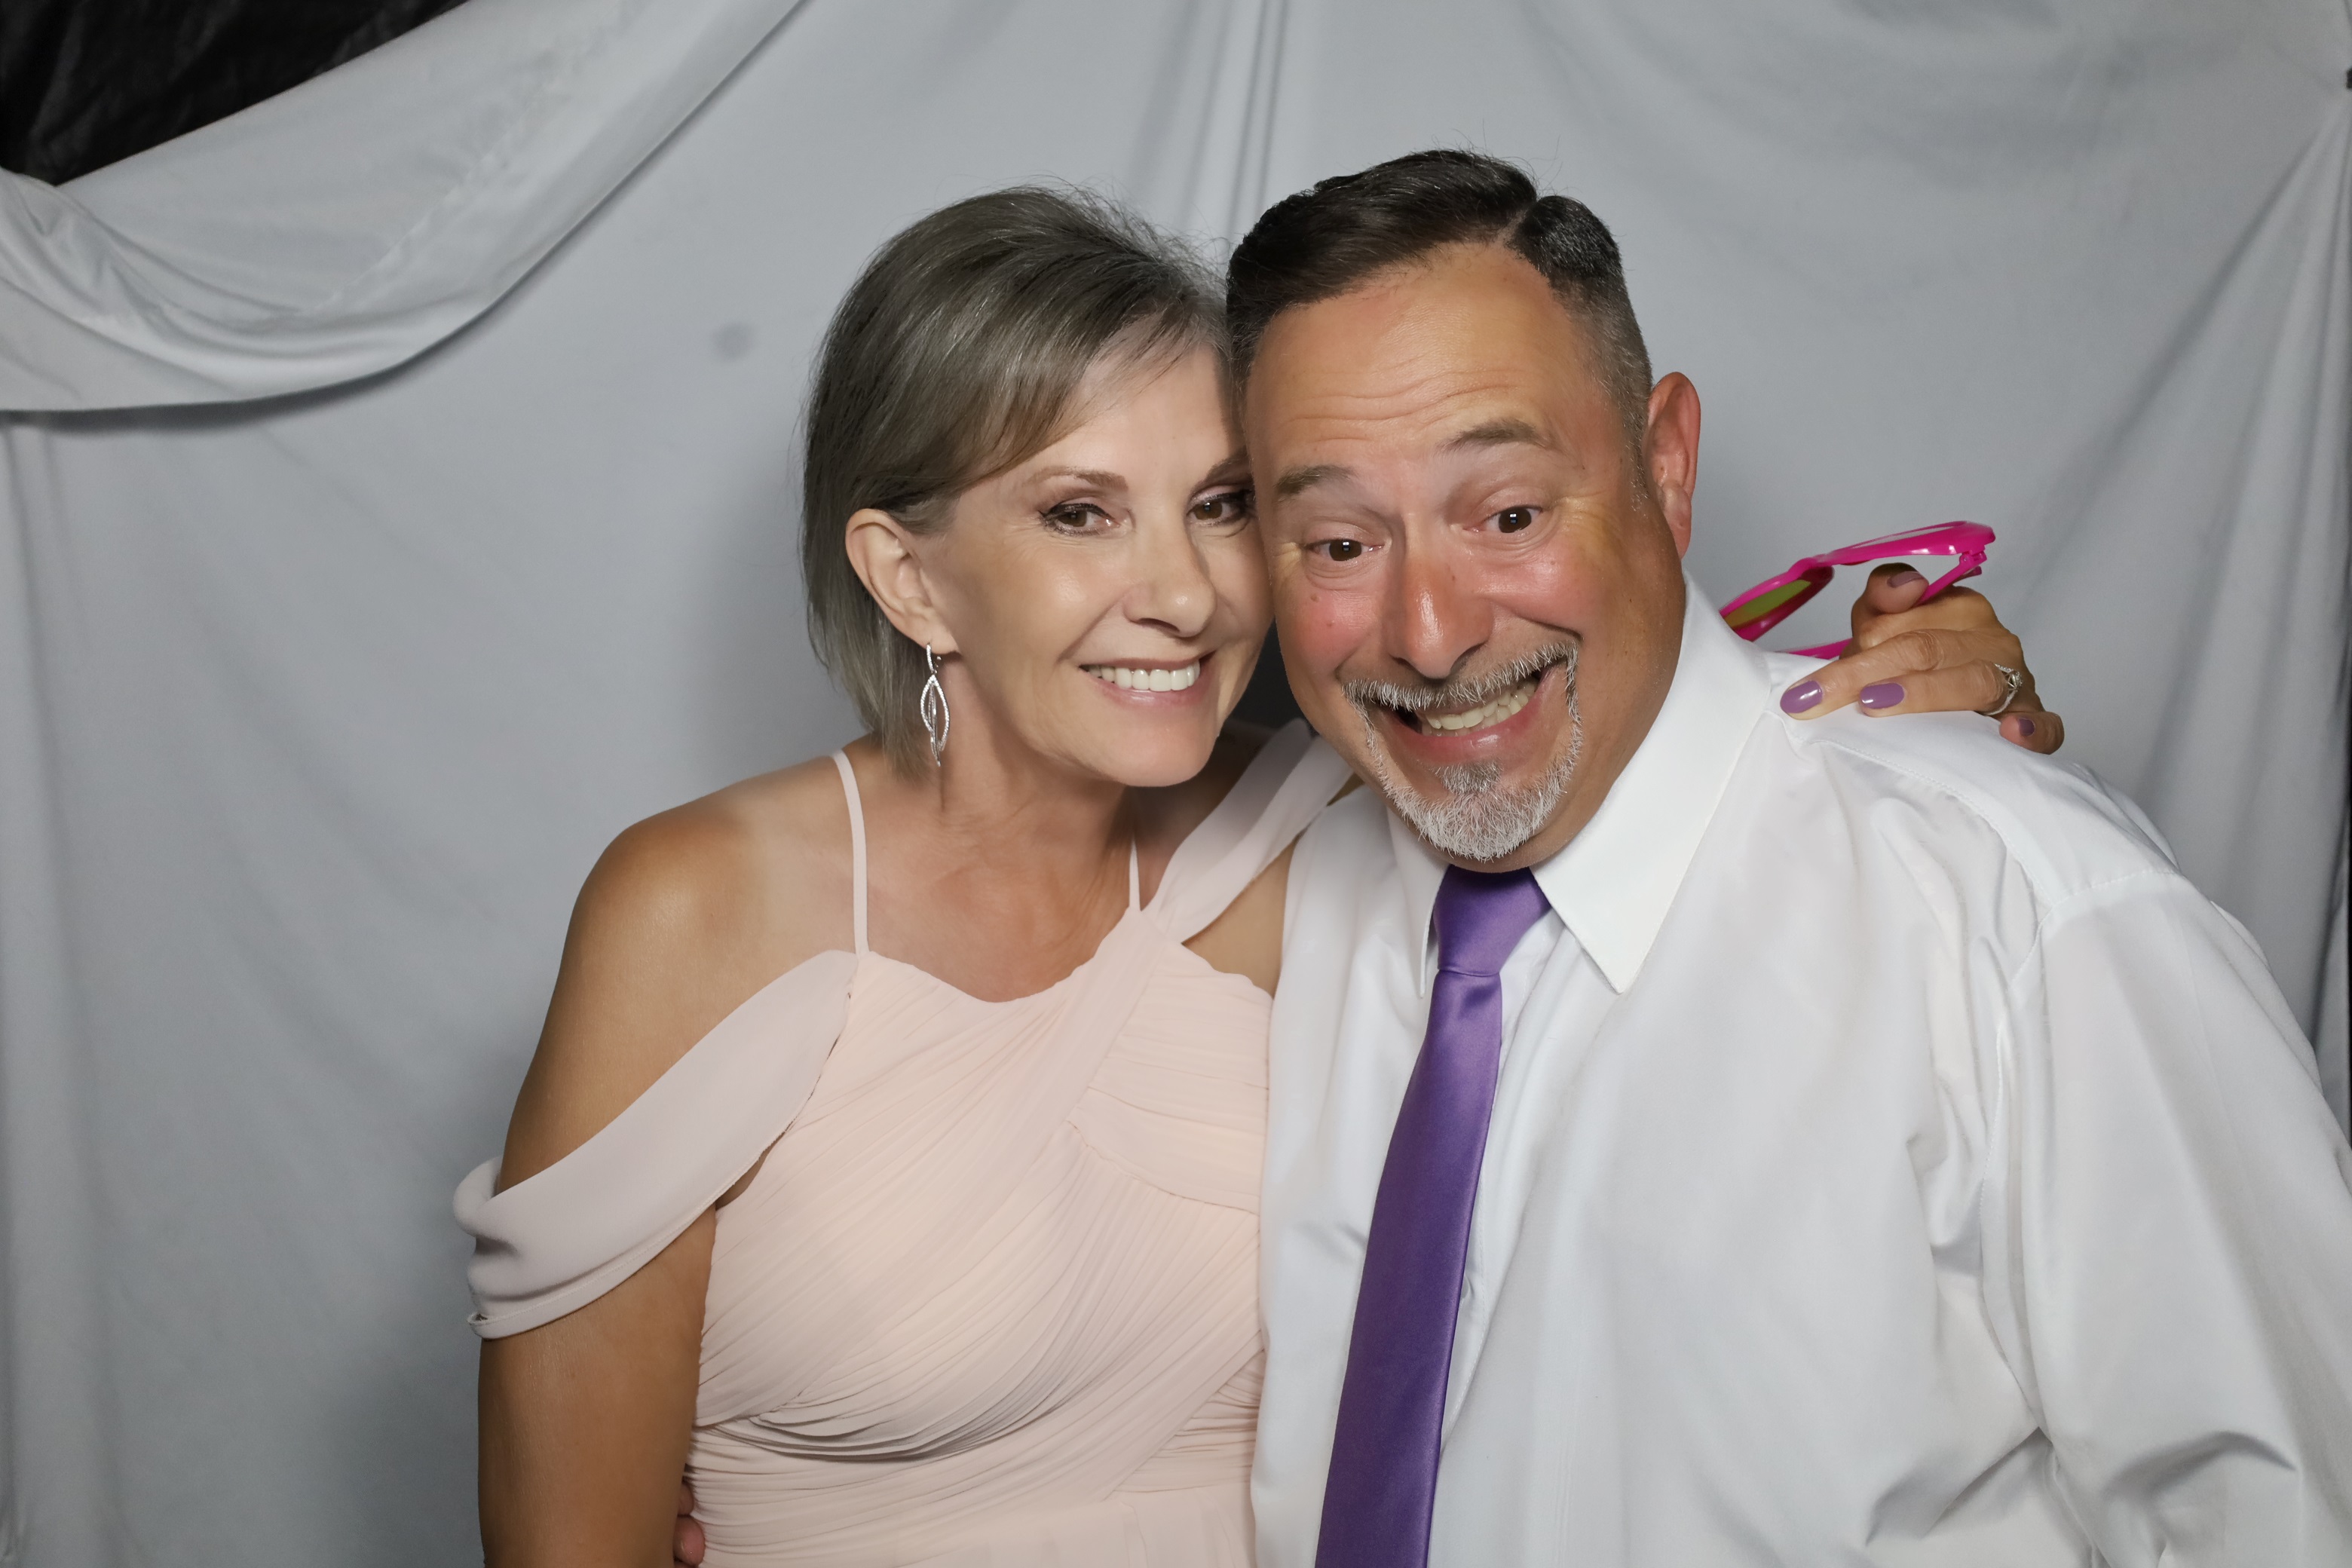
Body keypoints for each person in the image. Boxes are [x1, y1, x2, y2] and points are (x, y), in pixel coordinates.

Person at [457, 186, 2060, 1567]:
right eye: (1080, 513)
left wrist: (1954, 695)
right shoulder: (698, 911)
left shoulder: (1348, 835)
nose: (1181, 592)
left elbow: (1640, 745)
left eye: (1221, 505)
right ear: (909, 576)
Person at [1236, 151, 2352, 1567]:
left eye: (1509, 515)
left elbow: (2290, 1516)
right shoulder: (1300, 879)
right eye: (1339, 543)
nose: (1431, 632)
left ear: (1665, 465)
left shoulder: (2009, 911)